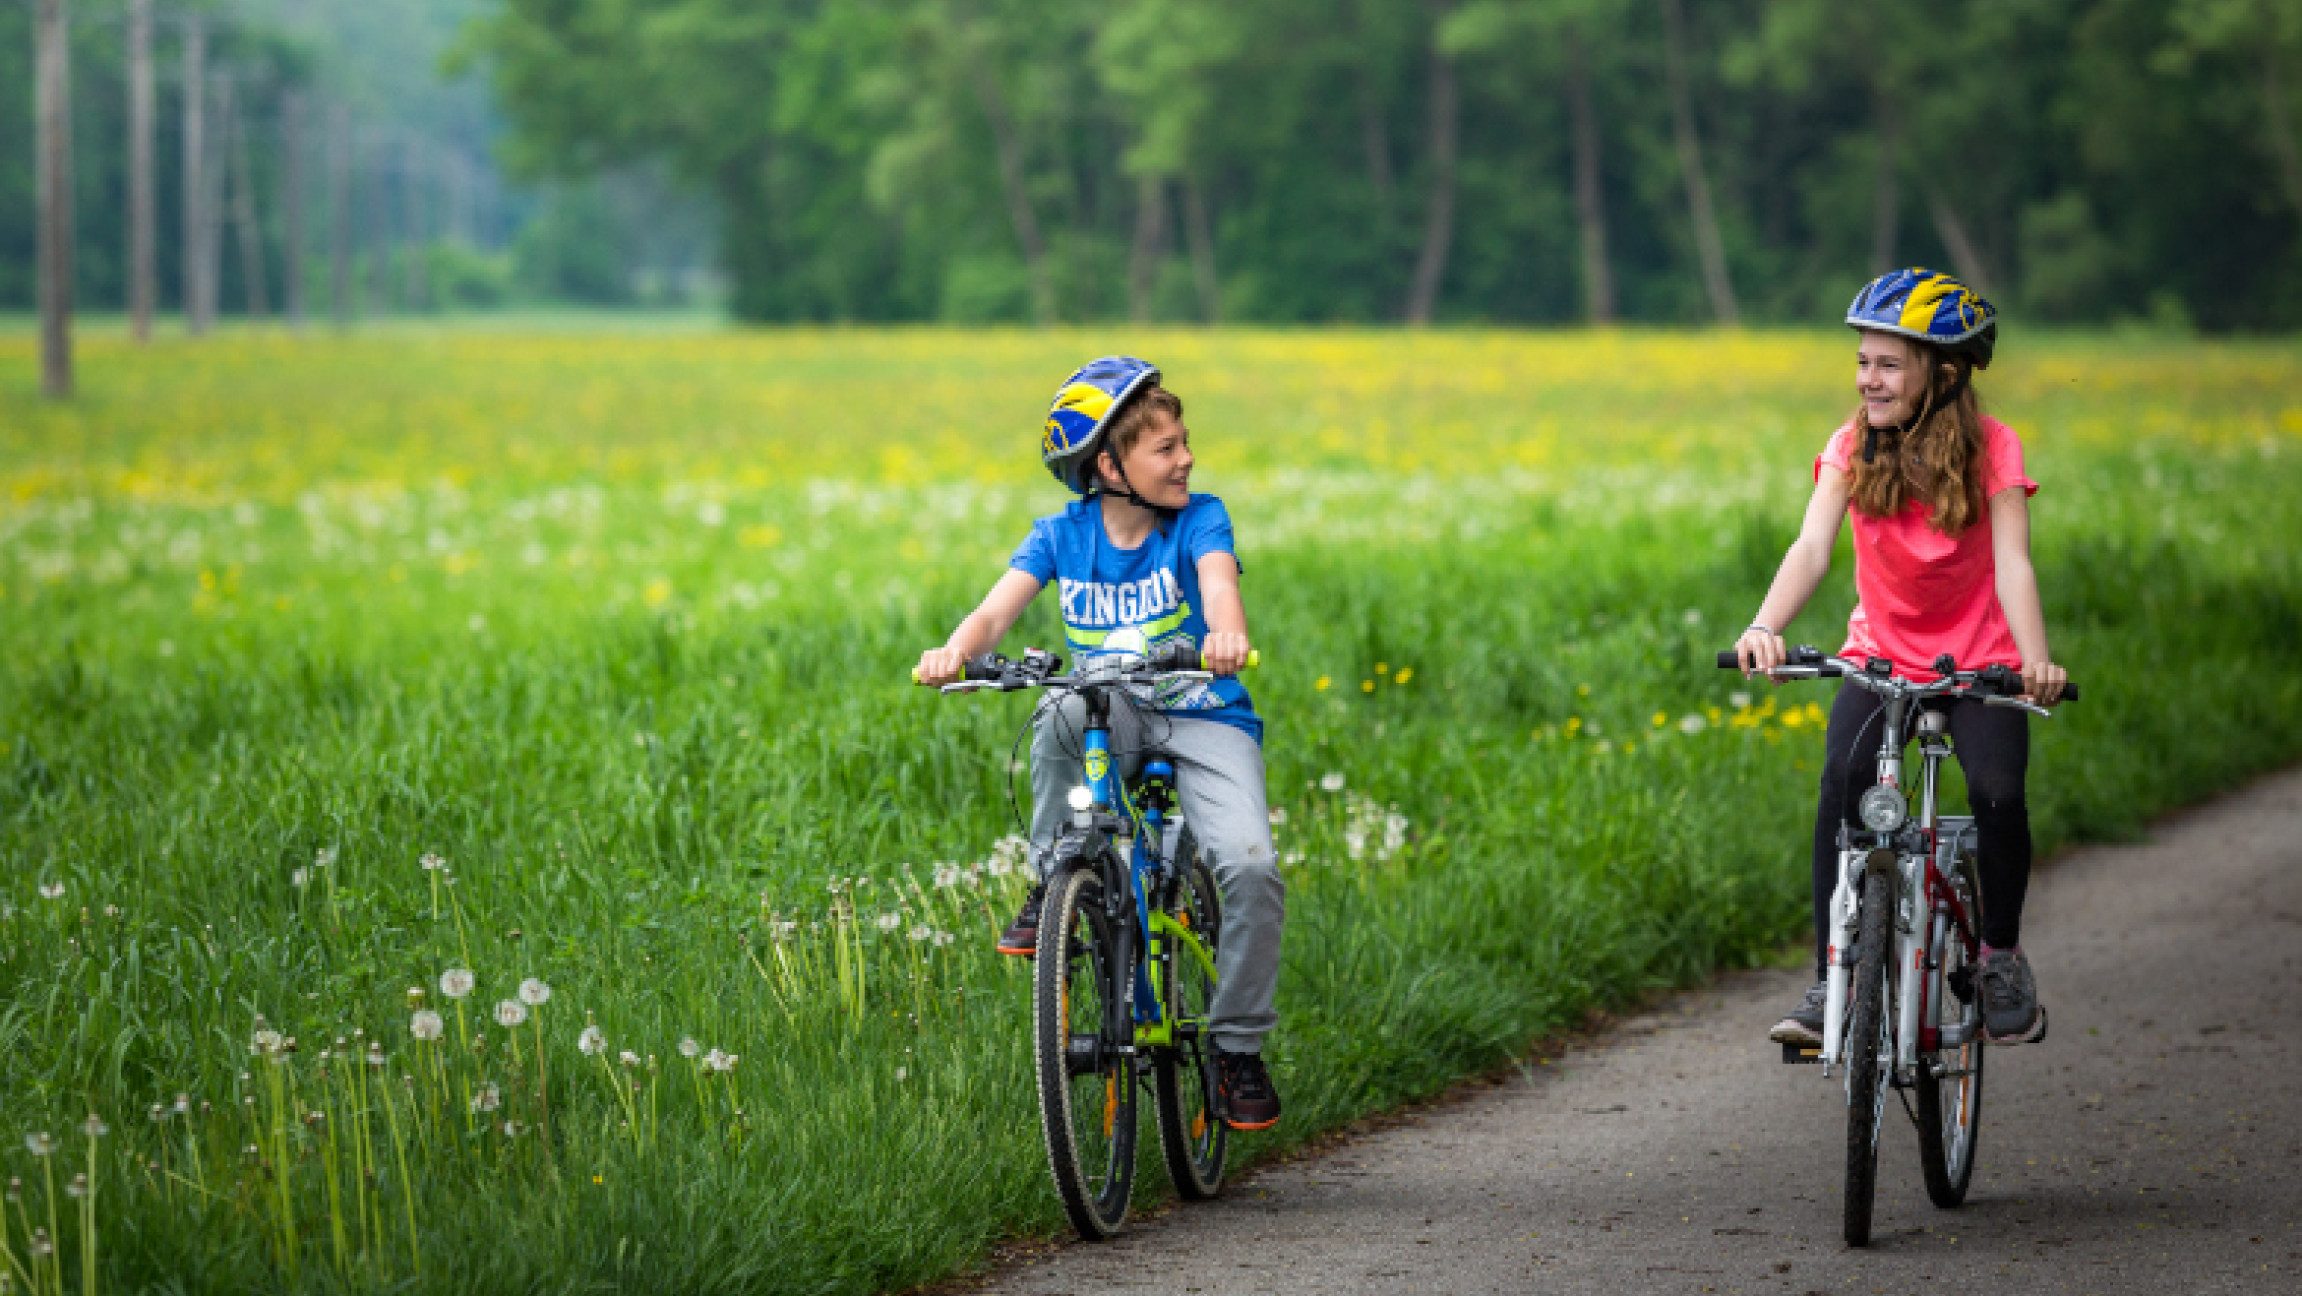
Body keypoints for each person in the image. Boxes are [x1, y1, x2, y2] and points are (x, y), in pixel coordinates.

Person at [915, 356, 1285, 1129]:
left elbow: (1219, 585)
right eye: (1166, 448)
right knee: (1056, 709)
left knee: (1250, 867)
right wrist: (954, 650)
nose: (1186, 459)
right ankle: (1055, 878)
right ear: (1109, 466)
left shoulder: (1201, 518)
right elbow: (994, 614)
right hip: (1110, 707)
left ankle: (1237, 1048)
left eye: (1185, 442)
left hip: (1204, 710)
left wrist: (1227, 634)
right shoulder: (1061, 535)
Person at [1732, 269, 2069, 1048]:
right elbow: (1812, 546)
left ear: (1942, 373)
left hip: (1978, 663)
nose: (1867, 379)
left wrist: (2036, 661)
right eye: (1862, 361)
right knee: (1842, 786)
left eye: (1888, 364)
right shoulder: (1851, 446)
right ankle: (1831, 979)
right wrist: (1763, 626)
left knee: (1995, 791)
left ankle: (1999, 958)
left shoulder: (1995, 449)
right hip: (1882, 660)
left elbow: (2013, 564)